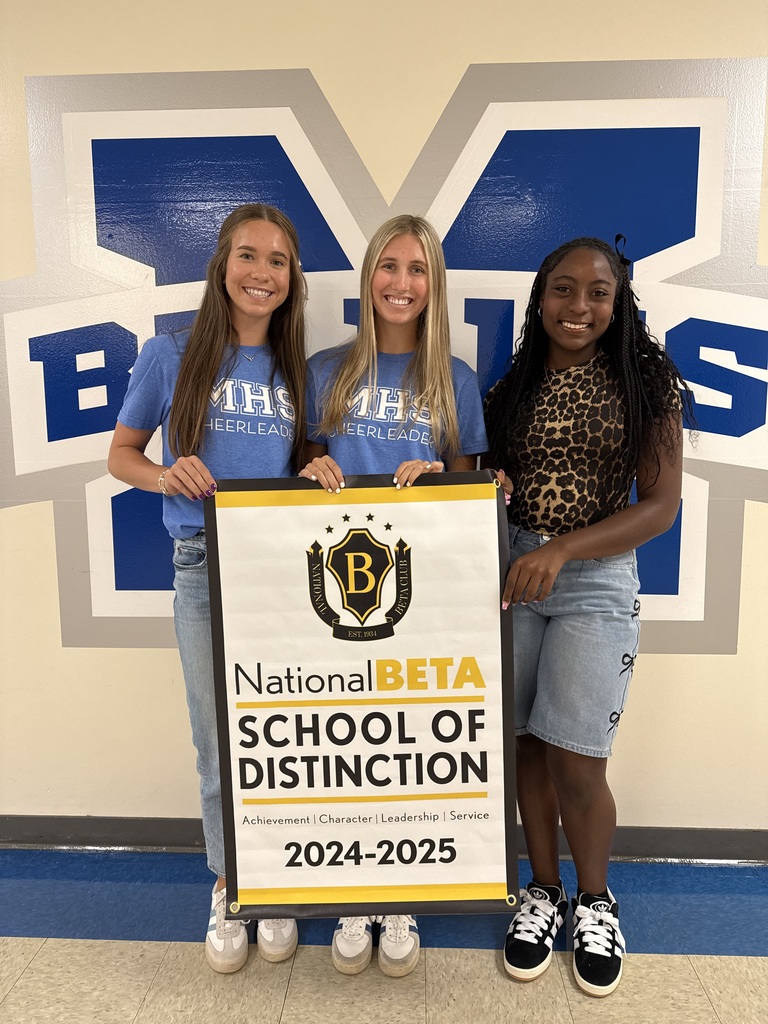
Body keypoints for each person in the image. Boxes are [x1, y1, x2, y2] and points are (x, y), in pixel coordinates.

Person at [483, 237, 691, 998]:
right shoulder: (511, 388)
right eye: (563, 290)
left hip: (594, 579)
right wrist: (492, 486)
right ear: (541, 298)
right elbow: (491, 478)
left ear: (619, 300)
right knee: (527, 747)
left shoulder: (647, 383)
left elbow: (660, 507)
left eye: (597, 292)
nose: (579, 307)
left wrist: (564, 551)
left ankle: (595, 901)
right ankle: (542, 892)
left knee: (577, 754)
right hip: (513, 574)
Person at [108, 203, 307, 974]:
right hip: (201, 565)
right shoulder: (173, 354)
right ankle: (234, 880)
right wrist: (164, 473)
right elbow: (121, 453)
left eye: (278, 262)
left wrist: (315, 473)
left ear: (291, 281)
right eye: (248, 256)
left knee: (284, 728)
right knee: (216, 736)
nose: (262, 273)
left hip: (285, 573)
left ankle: (283, 874)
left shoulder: (300, 367)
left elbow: (308, 467)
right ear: (222, 264)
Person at [299, 214, 488, 976]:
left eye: (417, 270)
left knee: (405, 738)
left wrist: (445, 482)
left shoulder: (457, 379)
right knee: (347, 735)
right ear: (368, 278)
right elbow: (300, 470)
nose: (401, 283)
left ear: (433, 286)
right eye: (389, 266)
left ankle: (399, 888)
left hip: (422, 589)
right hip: (338, 588)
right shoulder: (324, 370)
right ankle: (354, 883)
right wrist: (310, 469)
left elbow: (473, 492)